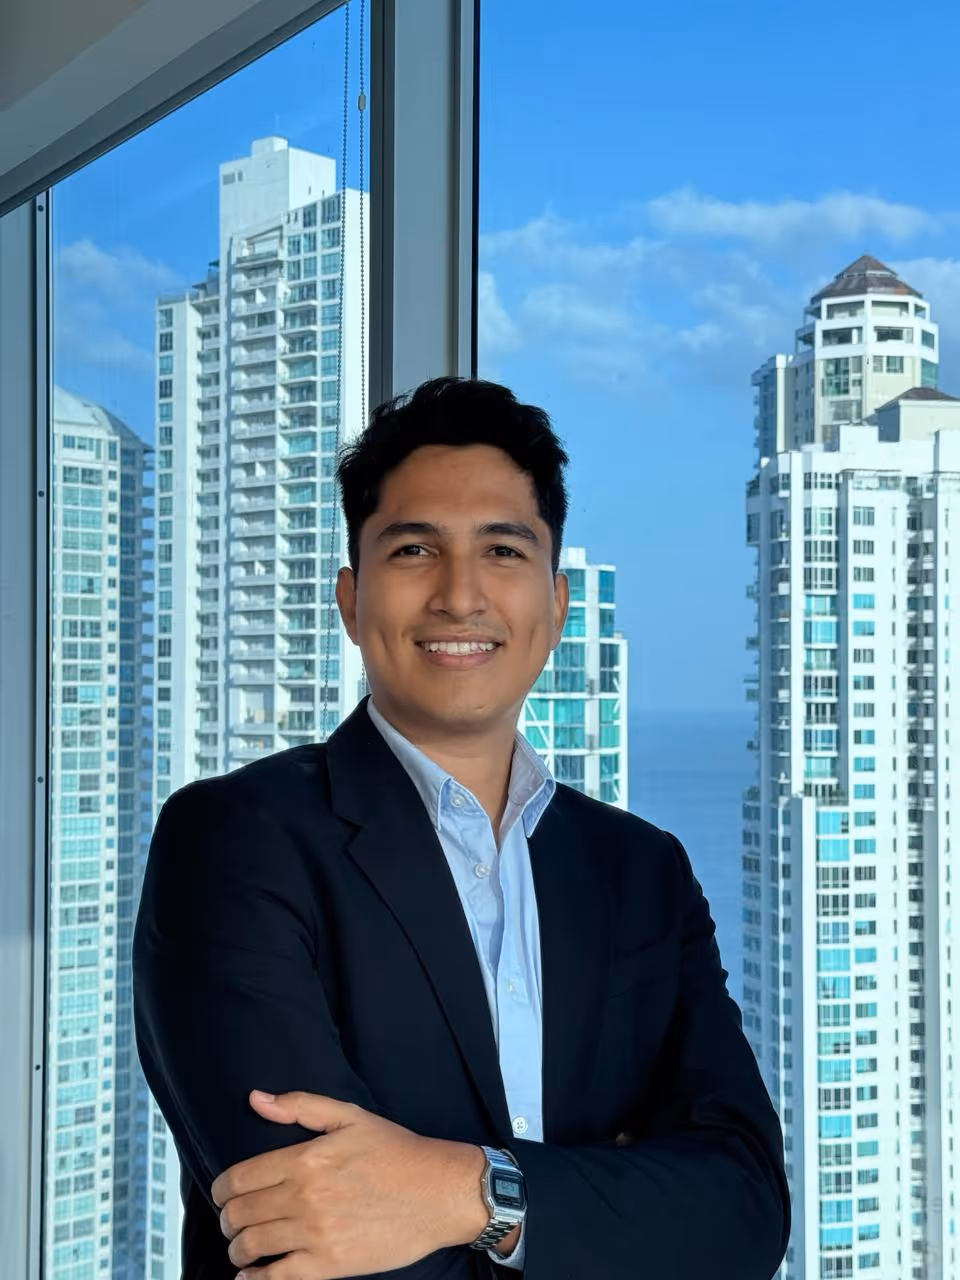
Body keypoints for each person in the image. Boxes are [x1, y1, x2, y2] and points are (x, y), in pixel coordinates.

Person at [133, 376, 789, 1280]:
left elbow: (744, 1211)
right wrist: (616, 1199)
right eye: (413, 550)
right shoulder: (234, 843)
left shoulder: (642, 871)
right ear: (351, 601)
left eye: (503, 552)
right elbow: (307, 1228)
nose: (460, 595)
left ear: (556, 605)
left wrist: (465, 1191)